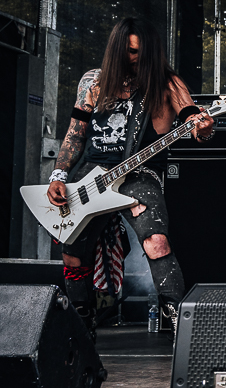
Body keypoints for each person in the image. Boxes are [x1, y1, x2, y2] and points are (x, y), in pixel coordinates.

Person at [46, 17, 214, 334]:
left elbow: (193, 118)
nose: (130, 58)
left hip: (139, 173)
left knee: (157, 243)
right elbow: (75, 135)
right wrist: (59, 174)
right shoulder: (92, 82)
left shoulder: (167, 83)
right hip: (90, 177)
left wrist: (203, 128)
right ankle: (81, 331)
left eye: (136, 52)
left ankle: (181, 328)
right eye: (125, 51)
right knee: (72, 253)